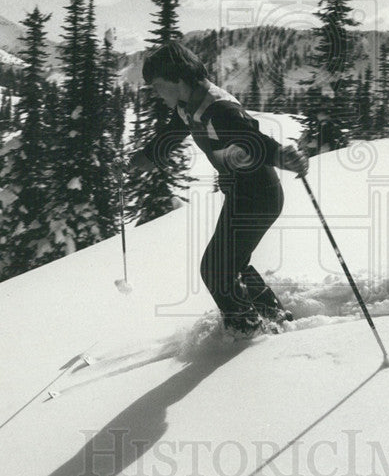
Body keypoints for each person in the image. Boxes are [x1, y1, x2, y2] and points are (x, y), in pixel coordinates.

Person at [131, 42, 309, 339]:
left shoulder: (218, 109)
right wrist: (142, 159)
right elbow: (173, 133)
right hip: (244, 193)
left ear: (178, 79)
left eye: (158, 86)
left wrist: (284, 157)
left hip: (258, 195)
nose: (158, 94)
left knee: (215, 269)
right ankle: (275, 319)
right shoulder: (189, 104)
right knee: (231, 264)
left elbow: (253, 140)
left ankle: (247, 332)